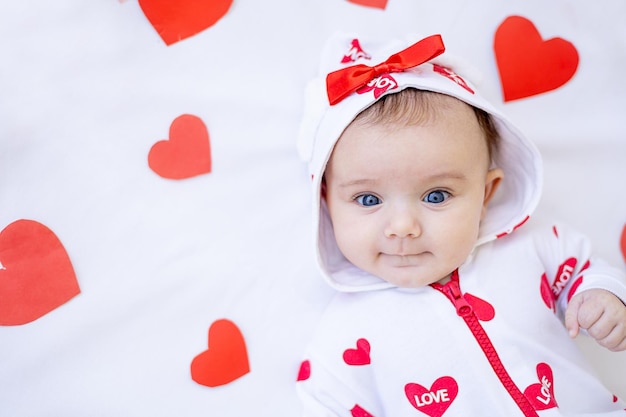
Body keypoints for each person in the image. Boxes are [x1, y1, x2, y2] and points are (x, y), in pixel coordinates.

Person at [295, 33, 626, 416]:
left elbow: (584, 272)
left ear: (486, 195)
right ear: (327, 205)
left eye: (436, 196)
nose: (403, 227)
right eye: (368, 200)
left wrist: (604, 298)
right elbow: (324, 404)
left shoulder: (532, 247)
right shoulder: (344, 335)